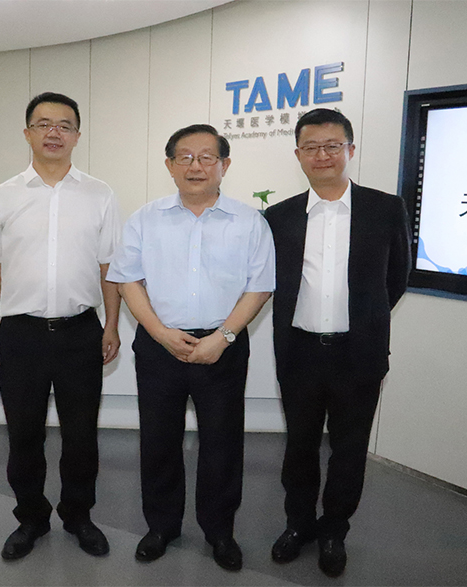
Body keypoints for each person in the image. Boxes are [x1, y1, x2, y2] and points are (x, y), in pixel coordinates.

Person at [107, 124, 274, 571]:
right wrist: (160, 333)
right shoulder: (145, 219)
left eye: (206, 157)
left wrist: (223, 337)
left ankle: (220, 531)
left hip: (224, 345)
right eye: (184, 157)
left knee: (222, 443)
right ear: (169, 165)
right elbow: (127, 280)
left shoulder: (249, 222)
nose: (195, 166)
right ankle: (161, 526)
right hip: (160, 344)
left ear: (225, 165)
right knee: (158, 440)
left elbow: (259, 287)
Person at [0, 92, 121, 561]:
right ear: (28, 133)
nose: (54, 132)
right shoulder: (2, 196)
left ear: (77, 135)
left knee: (81, 436)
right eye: (43, 123)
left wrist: (112, 325)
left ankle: (78, 515)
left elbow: (110, 268)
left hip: (81, 332)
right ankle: (31, 518)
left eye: (64, 125)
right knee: (24, 435)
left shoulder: (100, 194)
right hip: (20, 334)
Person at [263, 108, 411, 577]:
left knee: (349, 450)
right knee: (299, 447)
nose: (322, 155)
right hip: (299, 352)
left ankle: (334, 531)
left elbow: (397, 279)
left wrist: (363, 321)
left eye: (332, 146)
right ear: (298, 155)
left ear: (350, 149)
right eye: (311, 147)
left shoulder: (385, 209)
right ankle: (298, 525)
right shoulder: (279, 216)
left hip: (358, 353)